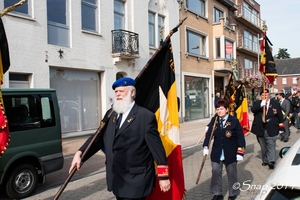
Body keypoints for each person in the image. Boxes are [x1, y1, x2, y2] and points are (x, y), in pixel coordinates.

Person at [69, 77, 171, 200]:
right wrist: (80, 153)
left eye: (121, 91)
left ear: (132, 93)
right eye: (116, 92)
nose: (118, 94)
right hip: (116, 179)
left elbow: (157, 148)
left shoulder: (145, 116)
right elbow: (97, 138)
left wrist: (163, 177)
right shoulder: (111, 114)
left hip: (136, 180)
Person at [203, 99, 246, 200]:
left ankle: (232, 193)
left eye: (221, 109)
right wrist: (205, 146)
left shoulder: (234, 121)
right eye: (217, 109)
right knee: (215, 171)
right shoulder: (215, 120)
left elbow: (240, 137)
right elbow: (209, 135)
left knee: (232, 173)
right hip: (217, 151)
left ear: (227, 109)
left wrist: (240, 152)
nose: (219, 111)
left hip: (230, 151)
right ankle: (217, 193)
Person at [251, 89, 283, 169]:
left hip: (271, 127)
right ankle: (265, 160)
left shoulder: (275, 103)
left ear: (269, 95)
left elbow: (279, 115)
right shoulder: (257, 103)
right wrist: (261, 104)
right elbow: (253, 110)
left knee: (271, 145)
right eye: (263, 95)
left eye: (266, 95)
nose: (265, 96)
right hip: (260, 128)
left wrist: (281, 126)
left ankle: (271, 161)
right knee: (263, 146)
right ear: (260, 96)